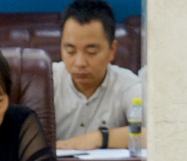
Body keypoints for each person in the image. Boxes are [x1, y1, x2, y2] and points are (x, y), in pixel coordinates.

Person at [54, 0, 142, 150]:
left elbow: (156, 134)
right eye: (70, 51)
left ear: (112, 50)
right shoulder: (47, 82)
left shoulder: (128, 85)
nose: (80, 63)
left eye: (91, 52)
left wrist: (100, 138)